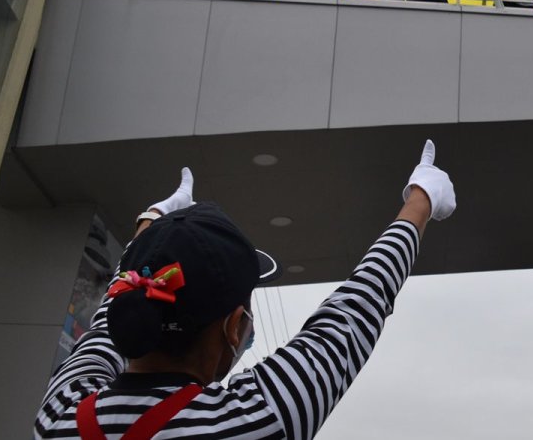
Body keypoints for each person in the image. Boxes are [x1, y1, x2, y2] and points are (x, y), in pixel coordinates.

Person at [35, 140, 457, 439]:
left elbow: (111, 316)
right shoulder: (252, 421)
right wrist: (420, 199)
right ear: (232, 328)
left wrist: (154, 220)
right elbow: (357, 307)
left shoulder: (60, 411)